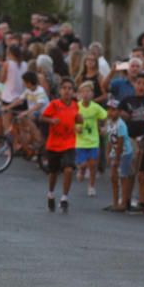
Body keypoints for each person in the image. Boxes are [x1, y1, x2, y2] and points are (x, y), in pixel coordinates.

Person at [40, 77, 83, 213]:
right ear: (60, 90)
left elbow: (78, 119)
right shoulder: (54, 104)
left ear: (73, 91)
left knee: (69, 169)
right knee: (53, 172)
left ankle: (64, 198)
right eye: (64, 88)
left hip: (69, 142)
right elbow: (42, 117)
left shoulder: (76, 105)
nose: (67, 91)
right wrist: (51, 120)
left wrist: (79, 121)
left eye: (70, 88)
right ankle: (51, 194)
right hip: (54, 143)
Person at [75, 81, 108, 197]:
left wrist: (104, 127)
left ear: (92, 94)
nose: (85, 94)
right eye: (83, 92)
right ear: (79, 94)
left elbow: (105, 116)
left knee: (93, 165)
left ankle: (91, 186)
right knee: (84, 164)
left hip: (93, 140)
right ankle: (82, 169)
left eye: (88, 91)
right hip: (80, 141)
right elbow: (70, 120)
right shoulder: (76, 107)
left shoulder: (95, 107)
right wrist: (76, 127)